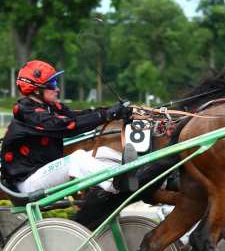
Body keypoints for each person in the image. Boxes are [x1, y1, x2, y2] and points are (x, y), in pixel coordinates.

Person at [0, 60, 137, 195]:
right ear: (36, 90)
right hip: (26, 183)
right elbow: (68, 126)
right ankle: (116, 184)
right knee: (77, 159)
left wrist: (114, 111)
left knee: (102, 152)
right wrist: (107, 115)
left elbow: (78, 117)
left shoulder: (51, 107)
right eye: (52, 85)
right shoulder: (27, 112)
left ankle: (134, 170)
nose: (57, 89)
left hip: (43, 173)